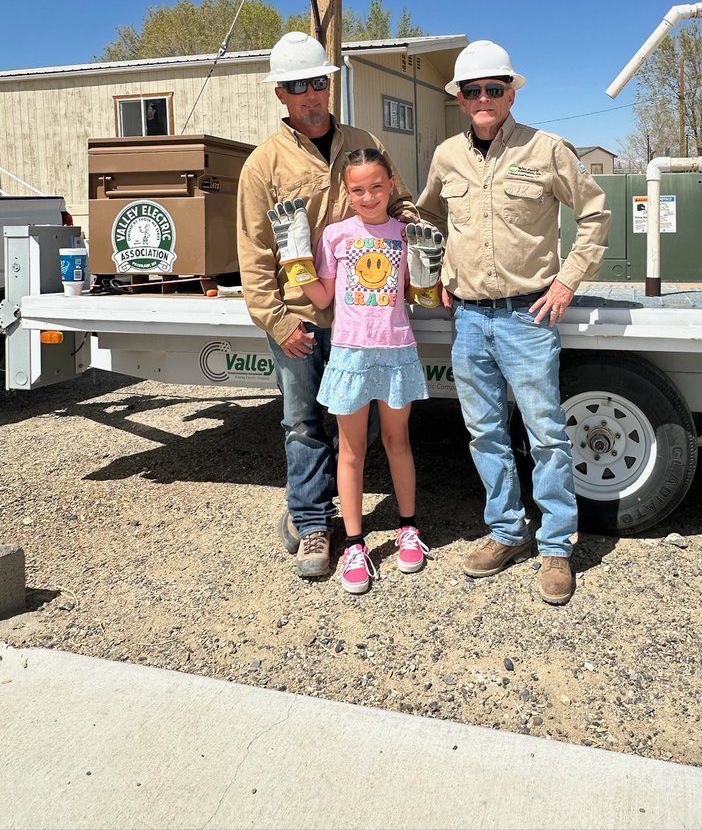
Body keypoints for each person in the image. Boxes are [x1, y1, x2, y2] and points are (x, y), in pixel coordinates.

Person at [417, 40, 610, 605]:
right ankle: (507, 532)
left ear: (510, 92)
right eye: (472, 90)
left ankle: (555, 546)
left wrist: (568, 279)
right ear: (458, 98)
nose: (483, 98)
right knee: (484, 432)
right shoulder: (446, 155)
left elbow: (595, 212)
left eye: (493, 89)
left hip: (529, 315)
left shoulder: (546, 150)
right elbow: (426, 216)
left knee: (546, 434)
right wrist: (437, 275)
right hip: (469, 321)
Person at [237, 32, 418, 580]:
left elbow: (400, 201)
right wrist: (277, 317)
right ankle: (313, 522)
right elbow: (253, 249)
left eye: (318, 81)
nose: (311, 94)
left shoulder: (361, 141)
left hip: (365, 321)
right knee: (301, 424)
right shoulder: (263, 166)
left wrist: (415, 233)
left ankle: (355, 518)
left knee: (353, 432)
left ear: (329, 83)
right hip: (302, 316)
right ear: (281, 95)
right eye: (298, 86)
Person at [285, 147, 436, 594]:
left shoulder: (404, 234)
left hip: (396, 351)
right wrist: (293, 255)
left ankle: (408, 528)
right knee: (350, 451)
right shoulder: (335, 235)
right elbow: (322, 297)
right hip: (350, 354)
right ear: (346, 193)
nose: (368, 196)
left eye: (376, 187)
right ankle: (354, 544)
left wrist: (431, 271)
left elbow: (419, 295)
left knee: (397, 442)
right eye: (358, 190)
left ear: (391, 185)